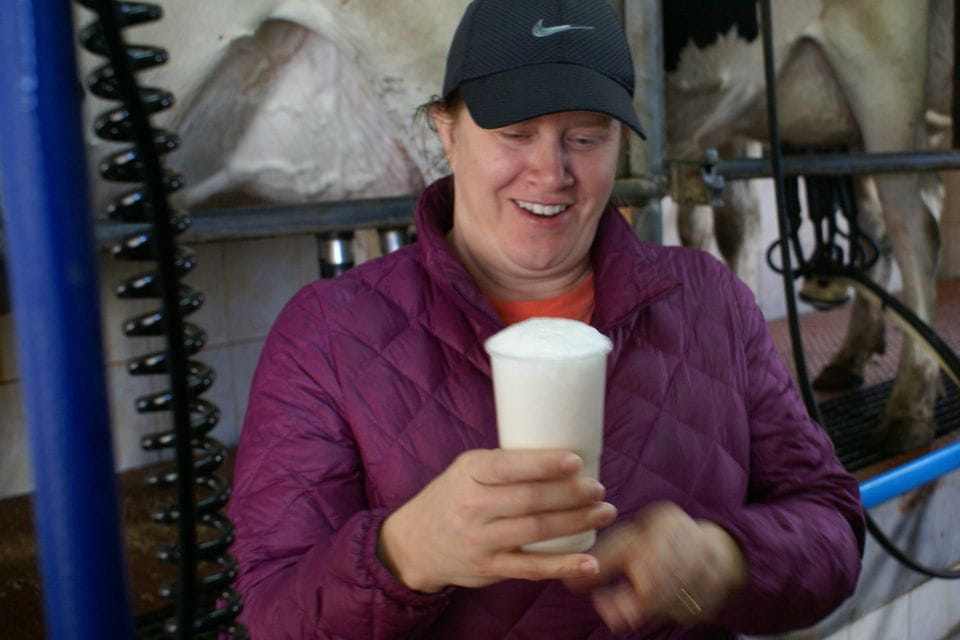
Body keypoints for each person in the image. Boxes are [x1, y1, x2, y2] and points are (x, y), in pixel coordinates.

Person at [227, 0, 866, 637]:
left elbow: (832, 524)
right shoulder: (328, 333)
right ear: (447, 132)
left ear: (620, 144)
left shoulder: (707, 301)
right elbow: (269, 613)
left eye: (586, 137)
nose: (551, 172)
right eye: (515, 133)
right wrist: (404, 554)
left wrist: (726, 560)